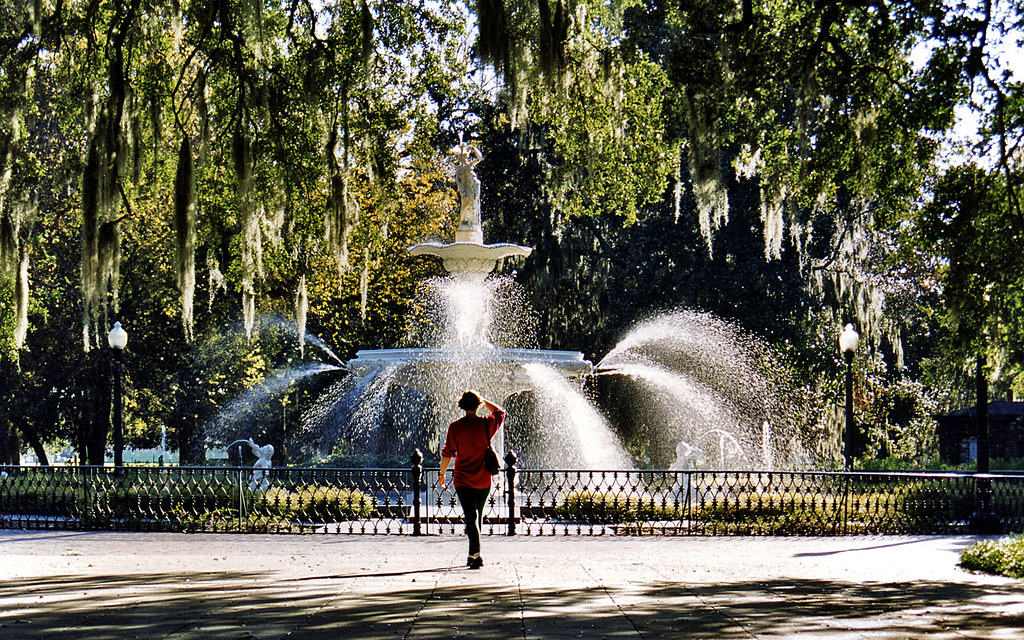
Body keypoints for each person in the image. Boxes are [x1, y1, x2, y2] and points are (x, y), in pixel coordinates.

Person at [439, 390, 505, 569]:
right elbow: (500, 412)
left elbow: (448, 453)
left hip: (462, 478)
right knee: (477, 516)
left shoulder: (455, 426)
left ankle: (475, 554)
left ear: (461, 406)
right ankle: (474, 553)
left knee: (471, 516)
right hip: (483, 477)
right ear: (478, 405)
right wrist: (485, 401)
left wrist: (442, 473)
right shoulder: (486, 424)